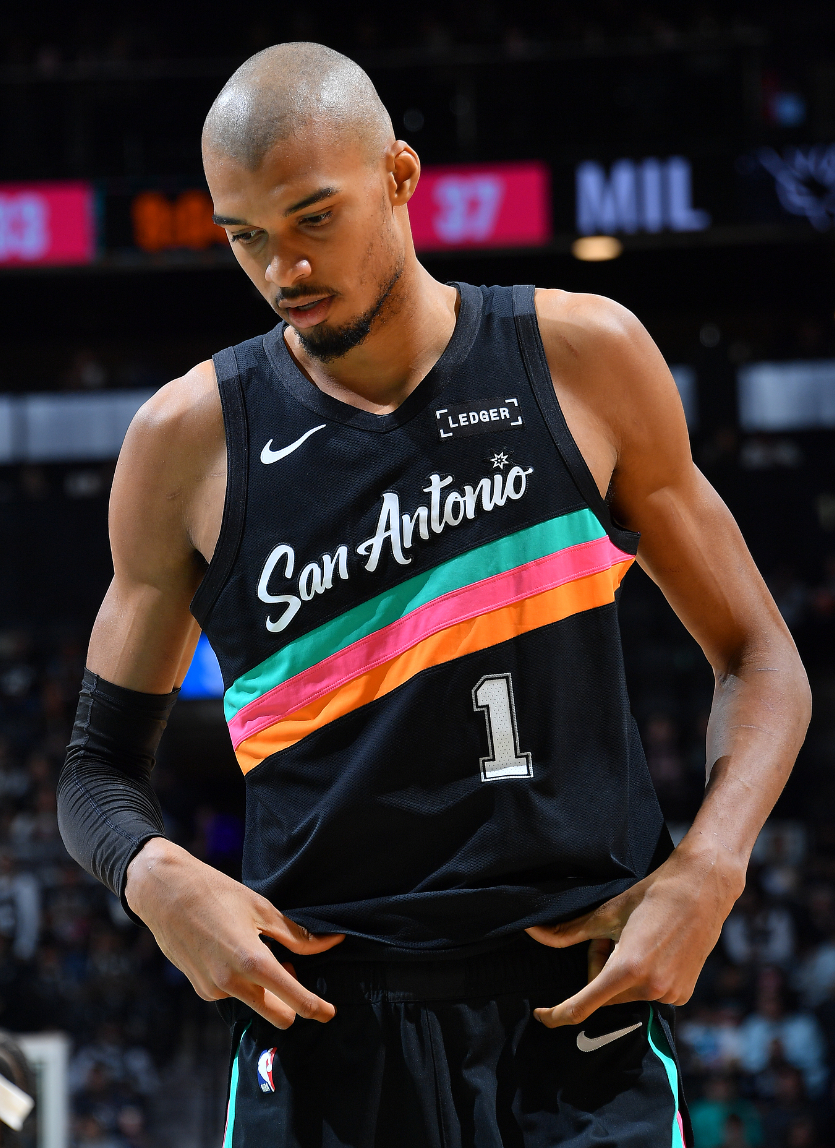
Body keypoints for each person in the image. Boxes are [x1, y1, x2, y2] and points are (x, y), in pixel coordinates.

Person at [57, 42, 810, 1148]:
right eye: (245, 236)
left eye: (314, 218)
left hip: (576, 1021)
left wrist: (711, 864)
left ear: (400, 174)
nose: (284, 269)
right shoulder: (187, 441)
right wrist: (155, 875)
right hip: (321, 1028)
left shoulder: (580, 356)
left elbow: (760, 658)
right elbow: (95, 767)